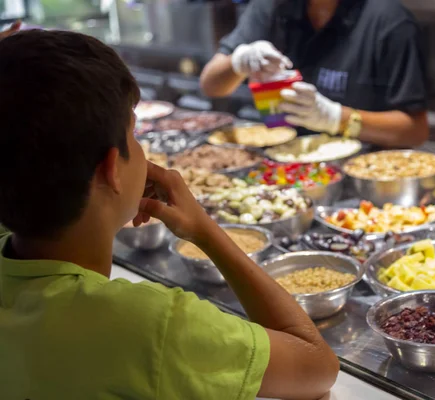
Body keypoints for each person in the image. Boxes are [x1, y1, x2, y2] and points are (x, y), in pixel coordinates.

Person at [0, 30, 339, 399]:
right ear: (111, 168)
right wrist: (205, 231)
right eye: (134, 134)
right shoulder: (150, 327)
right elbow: (316, 367)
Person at [200, 0, 429, 148]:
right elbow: (211, 85)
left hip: (360, 173)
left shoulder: (390, 21)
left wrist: (335, 117)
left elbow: (414, 131)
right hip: (279, 164)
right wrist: (240, 61)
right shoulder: (272, 7)